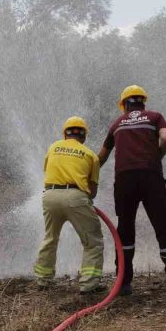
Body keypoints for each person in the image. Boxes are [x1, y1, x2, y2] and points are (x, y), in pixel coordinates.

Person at [97, 85, 166, 298]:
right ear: (143, 102)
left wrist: (81, 176)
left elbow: (100, 159)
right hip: (151, 177)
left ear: (124, 105)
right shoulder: (155, 116)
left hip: (124, 180)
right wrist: (157, 156)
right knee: (163, 228)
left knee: (125, 229)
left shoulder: (117, 123)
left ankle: (123, 284)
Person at [33, 116, 105, 294]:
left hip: (50, 195)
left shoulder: (53, 147)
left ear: (65, 134)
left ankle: (43, 280)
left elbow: (48, 170)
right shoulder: (91, 155)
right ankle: (88, 285)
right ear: (84, 136)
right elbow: (92, 191)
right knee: (92, 242)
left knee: (50, 238)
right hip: (75, 197)